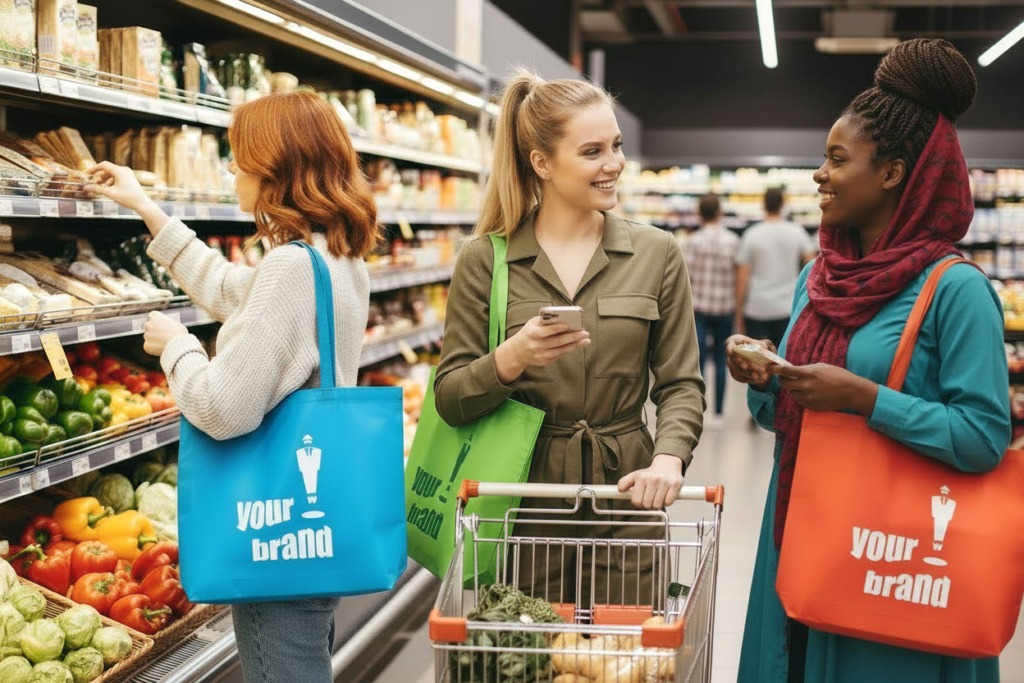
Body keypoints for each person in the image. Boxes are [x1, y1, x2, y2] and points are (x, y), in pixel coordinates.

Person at [727, 39, 1010, 682]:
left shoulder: (956, 290)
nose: (818, 175)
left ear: (892, 173)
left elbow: (984, 436)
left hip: (894, 559)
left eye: (837, 159)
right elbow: (781, 419)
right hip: (801, 530)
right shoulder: (816, 279)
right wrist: (766, 377)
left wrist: (864, 398)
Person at [84, 90, 380, 683]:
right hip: (313, 526)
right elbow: (227, 289)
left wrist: (178, 346)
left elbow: (222, 410)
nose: (232, 172)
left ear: (275, 170)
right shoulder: (335, 257)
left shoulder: (292, 267)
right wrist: (145, 207)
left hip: (275, 536)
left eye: (241, 160)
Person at [434, 70, 705, 605]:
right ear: (542, 162)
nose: (614, 164)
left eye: (616, 146)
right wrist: (510, 359)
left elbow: (680, 384)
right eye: (592, 152)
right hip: (522, 501)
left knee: (624, 645)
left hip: (627, 496)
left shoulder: (656, 253)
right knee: (531, 642)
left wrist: (669, 458)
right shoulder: (485, 259)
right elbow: (450, 397)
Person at [734, 187, 817, 349]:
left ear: (763, 205)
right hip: (788, 308)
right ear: (783, 204)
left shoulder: (752, 234)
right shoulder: (796, 231)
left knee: (758, 360)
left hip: (757, 308)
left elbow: (742, 278)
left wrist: (738, 312)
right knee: (785, 358)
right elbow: (813, 265)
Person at [683, 193, 741, 425]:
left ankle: (700, 409)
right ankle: (718, 413)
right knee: (720, 360)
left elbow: (685, 278)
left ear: (700, 214)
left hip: (698, 308)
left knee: (698, 361)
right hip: (724, 307)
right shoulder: (733, 241)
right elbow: (739, 276)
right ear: (719, 212)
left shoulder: (693, 241)